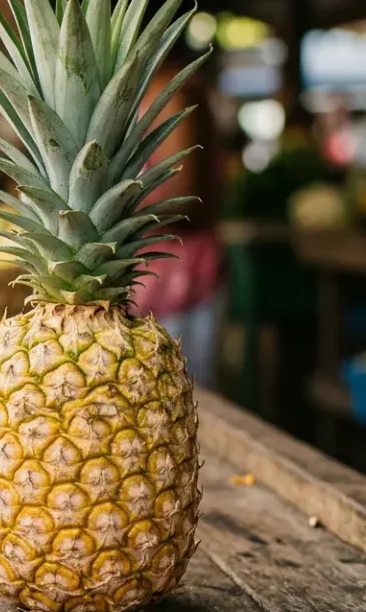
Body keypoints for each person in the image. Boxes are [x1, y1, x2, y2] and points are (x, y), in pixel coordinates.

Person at [131, 52, 224, 390]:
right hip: (153, 276)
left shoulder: (166, 93)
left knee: (184, 392)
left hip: (179, 273)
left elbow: (180, 191)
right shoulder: (150, 92)